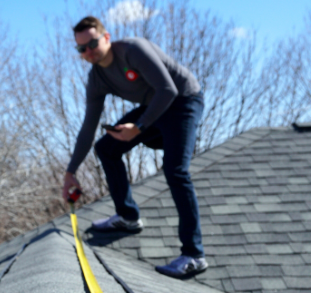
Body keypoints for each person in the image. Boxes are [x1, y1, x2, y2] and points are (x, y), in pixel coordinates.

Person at [63, 16, 208, 279]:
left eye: (92, 44)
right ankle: (128, 217)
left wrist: (138, 127)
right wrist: (70, 171)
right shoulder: (96, 78)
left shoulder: (133, 50)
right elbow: (88, 127)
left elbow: (167, 89)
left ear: (106, 38)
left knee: (175, 171)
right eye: (81, 49)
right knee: (106, 147)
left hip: (183, 101)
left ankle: (194, 255)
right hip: (153, 107)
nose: (88, 52)